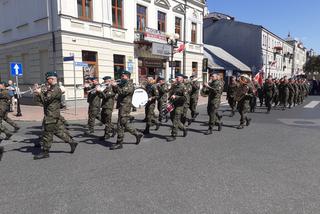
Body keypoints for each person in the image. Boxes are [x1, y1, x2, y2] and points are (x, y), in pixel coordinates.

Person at [33, 71, 78, 160]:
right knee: (57, 131)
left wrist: (40, 93)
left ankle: (45, 152)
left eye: (47, 79)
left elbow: (46, 100)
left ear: (52, 79)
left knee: (47, 133)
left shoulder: (56, 89)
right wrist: (37, 94)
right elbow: (41, 103)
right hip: (51, 114)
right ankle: (72, 142)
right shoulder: (51, 89)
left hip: (51, 115)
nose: (46, 81)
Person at [111, 71, 143, 150]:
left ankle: (120, 142)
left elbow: (122, 92)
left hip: (125, 106)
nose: (121, 77)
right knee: (122, 123)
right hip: (121, 106)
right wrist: (113, 86)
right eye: (121, 76)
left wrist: (116, 86)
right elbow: (116, 91)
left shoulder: (130, 84)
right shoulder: (123, 84)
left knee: (121, 124)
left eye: (123, 76)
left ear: (127, 76)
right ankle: (136, 134)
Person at [167, 74, 188, 142]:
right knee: (172, 118)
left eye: (178, 78)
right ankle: (184, 128)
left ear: (181, 79)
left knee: (175, 120)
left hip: (179, 106)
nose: (176, 79)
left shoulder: (183, 87)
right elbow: (170, 93)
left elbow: (185, 98)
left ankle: (174, 135)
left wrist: (176, 97)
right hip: (173, 104)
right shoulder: (175, 86)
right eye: (176, 78)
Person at [97, 76, 116, 140]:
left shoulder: (112, 88)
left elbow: (106, 96)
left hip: (109, 106)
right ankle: (113, 128)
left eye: (106, 81)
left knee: (107, 121)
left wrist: (100, 91)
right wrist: (98, 91)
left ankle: (106, 135)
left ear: (109, 81)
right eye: (104, 81)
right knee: (103, 120)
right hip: (104, 106)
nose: (104, 82)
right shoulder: (105, 88)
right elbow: (101, 96)